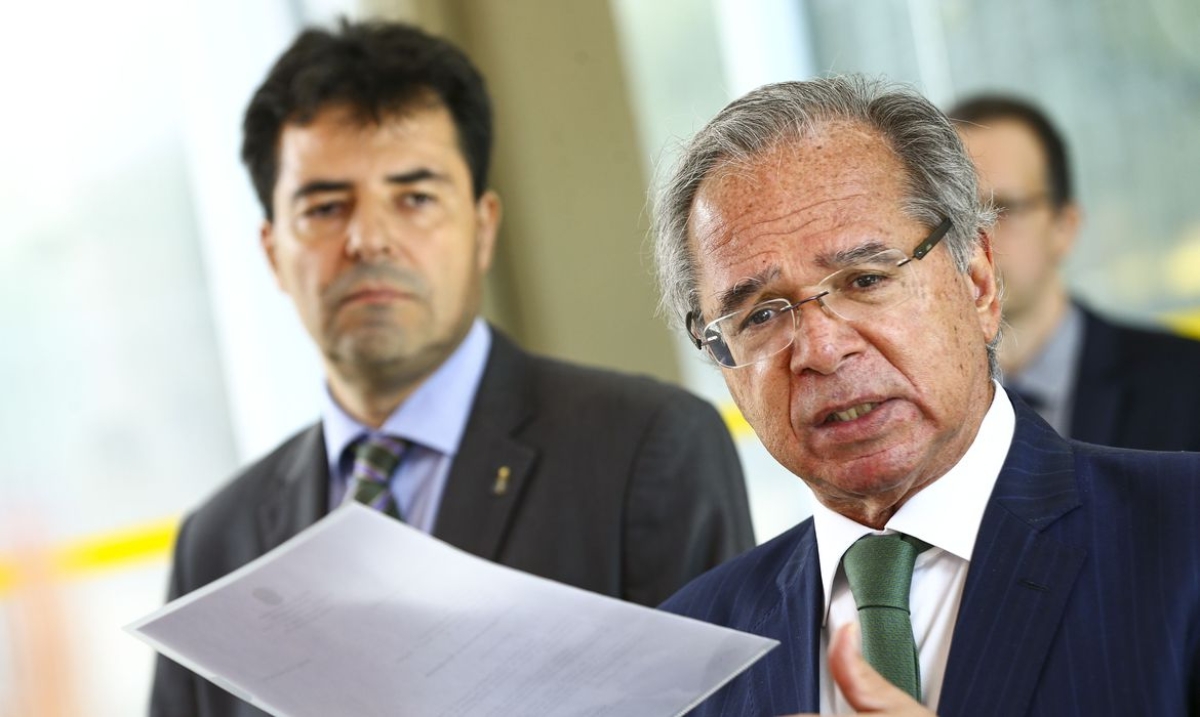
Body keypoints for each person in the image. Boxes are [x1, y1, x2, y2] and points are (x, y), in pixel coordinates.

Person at [149, 19, 754, 717]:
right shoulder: (218, 540)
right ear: (272, 251)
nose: (368, 237)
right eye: (324, 206)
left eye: (414, 197)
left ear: (483, 227)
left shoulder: (646, 448)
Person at [653, 76, 1200, 715]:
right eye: (759, 316)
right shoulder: (690, 655)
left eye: (865, 279)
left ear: (978, 284)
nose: (823, 351)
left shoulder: (1184, 534)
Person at [948, 94, 1200, 450]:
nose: (976, 240)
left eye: (1003, 209)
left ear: (1064, 226)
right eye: (956, 216)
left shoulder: (1186, 384)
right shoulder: (913, 407)